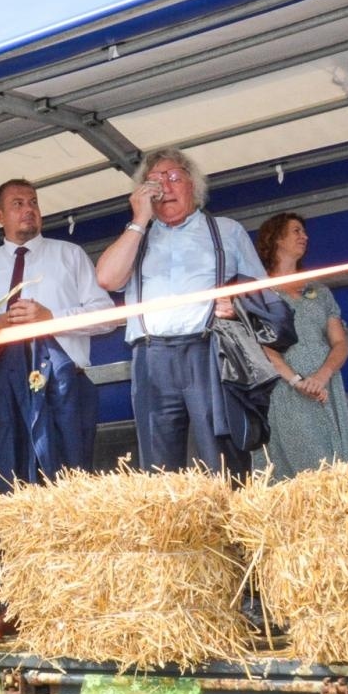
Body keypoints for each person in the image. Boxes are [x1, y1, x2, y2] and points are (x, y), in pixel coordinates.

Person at [96, 148, 269, 478]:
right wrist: (138, 219)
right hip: (151, 357)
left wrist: (239, 305)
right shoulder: (137, 235)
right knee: (158, 468)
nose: (165, 188)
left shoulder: (226, 230)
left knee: (222, 459)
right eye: (155, 181)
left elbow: (263, 293)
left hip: (210, 353)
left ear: (195, 186)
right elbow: (107, 278)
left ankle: (231, 526)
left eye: (174, 177)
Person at [0, 179, 119, 487]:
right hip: (2, 392)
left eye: (33, 202)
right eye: (18, 204)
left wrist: (52, 318)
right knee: (9, 484)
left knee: (69, 482)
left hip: (64, 388)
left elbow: (108, 317)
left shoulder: (70, 255)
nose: (28, 210)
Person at [252, 213, 348, 479]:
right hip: (285, 388)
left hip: (324, 385)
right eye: (296, 231)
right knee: (305, 469)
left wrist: (322, 376)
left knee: (337, 464)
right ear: (275, 238)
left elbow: (340, 342)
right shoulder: (260, 291)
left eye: (304, 232)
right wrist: (297, 381)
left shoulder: (319, 290)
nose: (305, 237)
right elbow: (261, 347)